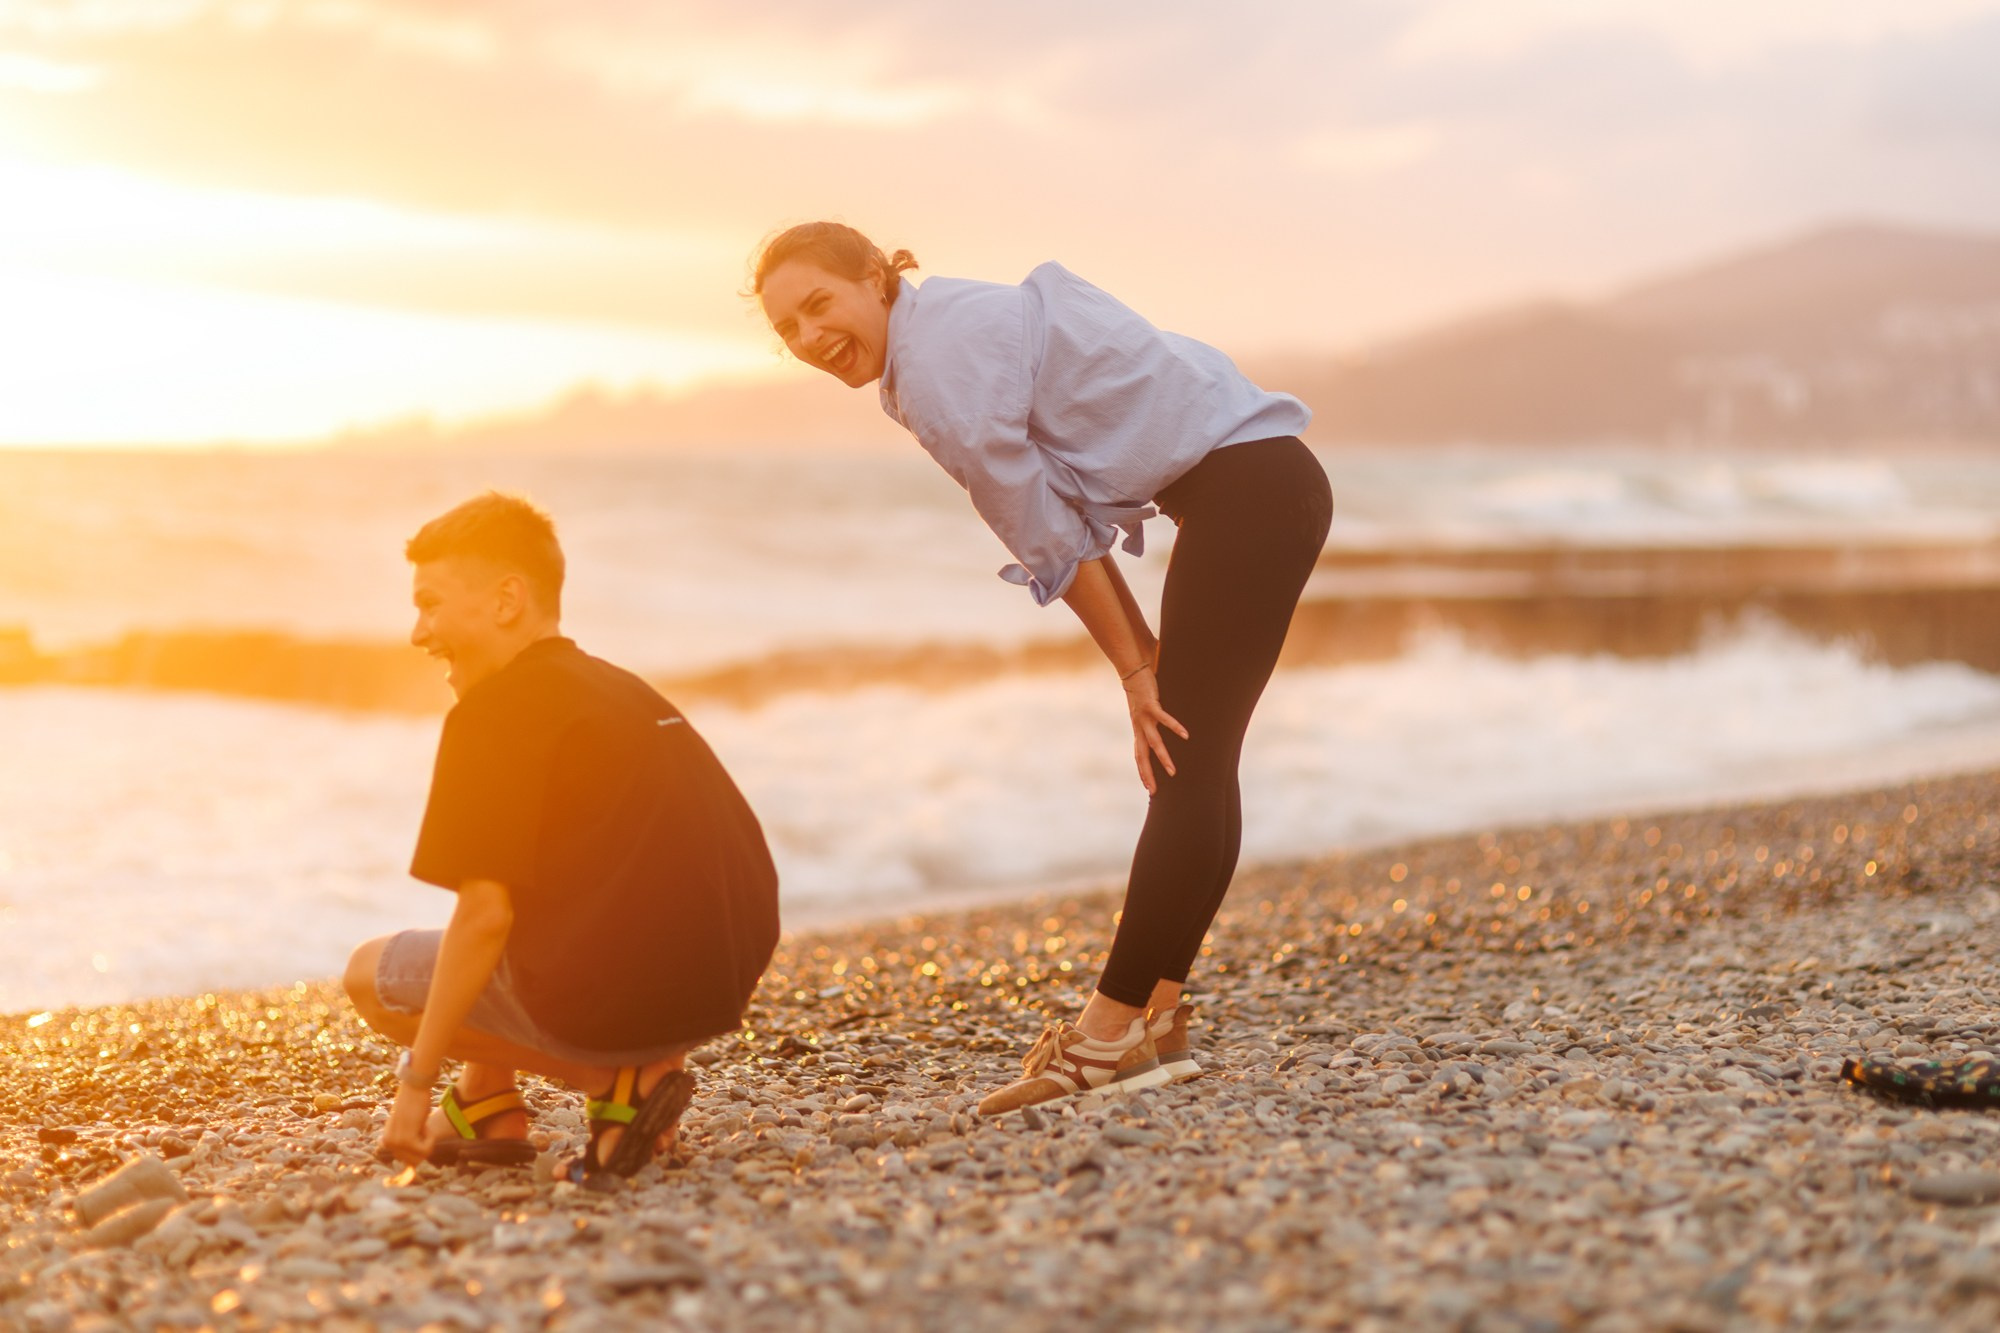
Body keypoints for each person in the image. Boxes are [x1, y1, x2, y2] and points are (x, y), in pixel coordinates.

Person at [752, 222, 1331, 1115]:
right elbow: (1063, 518)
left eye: (818, 304)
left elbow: (1046, 530)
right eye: (785, 328)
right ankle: (1157, 1018)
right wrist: (1140, 662)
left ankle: (1107, 1035)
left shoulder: (940, 359)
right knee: (1199, 762)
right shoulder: (949, 328)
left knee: (1183, 762)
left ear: (877, 277)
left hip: (1248, 495)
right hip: (1264, 485)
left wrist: (1137, 669)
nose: (806, 339)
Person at [344, 492, 779, 1182]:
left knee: (371, 975)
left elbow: (485, 917)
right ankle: (484, 1099)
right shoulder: (622, 690)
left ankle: (617, 1085)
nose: (417, 633)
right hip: (721, 973)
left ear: (506, 599)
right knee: (543, 915)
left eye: (430, 604)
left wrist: (415, 1080)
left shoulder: (491, 713)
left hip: (622, 998)